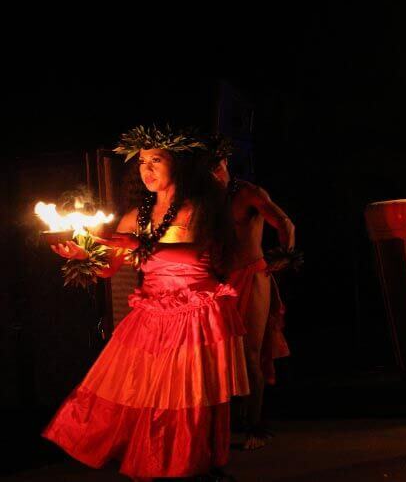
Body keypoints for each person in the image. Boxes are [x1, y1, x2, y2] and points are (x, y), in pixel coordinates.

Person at [44, 125, 247, 480]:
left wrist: (136, 244)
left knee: (188, 399)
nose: (147, 169)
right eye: (141, 162)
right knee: (143, 394)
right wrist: (83, 254)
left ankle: (192, 465)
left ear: (179, 166)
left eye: (156, 160)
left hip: (196, 311)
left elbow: (196, 254)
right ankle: (158, 462)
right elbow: (108, 268)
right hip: (152, 313)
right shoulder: (135, 216)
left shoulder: (199, 208)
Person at [211, 136, 297, 451]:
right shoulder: (203, 200)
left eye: (217, 166)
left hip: (251, 276)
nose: (213, 174)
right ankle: (225, 421)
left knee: (249, 352)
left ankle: (255, 425)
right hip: (217, 283)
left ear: (225, 164)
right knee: (218, 355)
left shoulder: (246, 193)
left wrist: (285, 255)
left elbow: (284, 222)